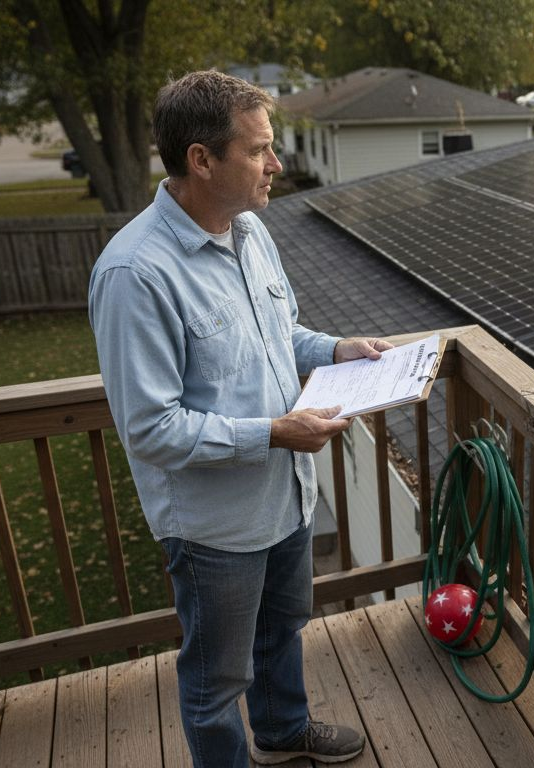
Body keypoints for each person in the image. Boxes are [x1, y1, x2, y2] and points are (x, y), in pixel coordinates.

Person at [89, 69, 389, 767]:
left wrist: (340, 348)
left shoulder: (250, 232)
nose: (277, 165)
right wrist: (274, 433)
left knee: (283, 628)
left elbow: (281, 335)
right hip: (214, 527)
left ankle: (284, 731)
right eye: (258, 150)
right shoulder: (136, 274)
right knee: (215, 679)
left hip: (283, 500)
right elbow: (150, 428)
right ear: (202, 159)